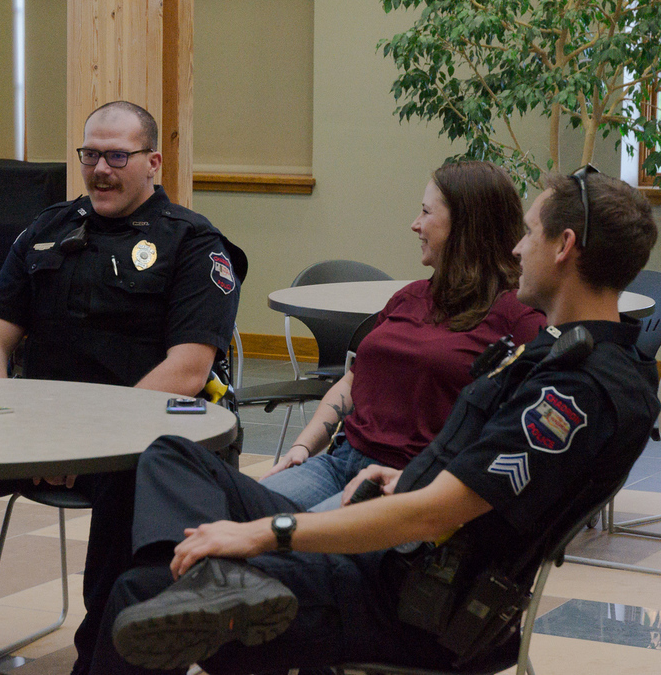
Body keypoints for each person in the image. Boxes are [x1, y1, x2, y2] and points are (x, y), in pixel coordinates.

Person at [92, 166, 660, 674]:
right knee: (172, 454)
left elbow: (436, 515)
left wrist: (264, 533)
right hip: (394, 544)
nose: (515, 249)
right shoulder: (565, 354)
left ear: (563, 247)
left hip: (408, 603)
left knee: (144, 590)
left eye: (529, 233)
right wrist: (402, 478)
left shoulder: (574, 388)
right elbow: (473, 486)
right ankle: (211, 587)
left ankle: (205, 592)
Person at [0, 101, 242, 673]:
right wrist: (7, 431)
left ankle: (100, 658)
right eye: (90, 155)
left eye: (117, 156)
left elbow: (188, 370)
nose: (100, 169)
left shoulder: (194, 244)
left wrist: (85, 443)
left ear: (153, 162)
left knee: (136, 483)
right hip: (34, 439)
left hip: (134, 443)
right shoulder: (48, 229)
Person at [260, 161, 544, 511]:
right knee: (235, 515)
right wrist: (302, 448)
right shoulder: (409, 297)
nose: (415, 224)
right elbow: (352, 381)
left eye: (426, 212)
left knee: (283, 542)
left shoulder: (519, 319)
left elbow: (513, 436)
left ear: (466, 226)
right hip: (339, 462)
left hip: (408, 484)